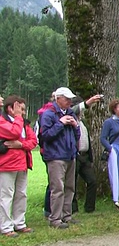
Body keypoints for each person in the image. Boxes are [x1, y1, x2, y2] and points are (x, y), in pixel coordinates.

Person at [39, 87, 81, 229]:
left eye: (70, 99)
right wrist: (60, 123)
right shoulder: (48, 114)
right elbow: (46, 136)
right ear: (58, 99)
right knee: (57, 188)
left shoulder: (70, 113)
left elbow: (77, 136)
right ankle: (55, 218)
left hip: (70, 154)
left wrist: (75, 126)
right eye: (66, 99)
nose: (69, 102)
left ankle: (66, 215)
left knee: (70, 187)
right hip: (55, 156)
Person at [0, 95, 38, 237]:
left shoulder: (23, 123)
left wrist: (20, 145)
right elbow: (14, 132)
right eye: (20, 109)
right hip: (6, 165)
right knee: (6, 196)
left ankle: (19, 223)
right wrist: (17, 118)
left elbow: (33, 141)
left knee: (21, 194)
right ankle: (5, 227)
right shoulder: (2, 121)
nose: (22, 112)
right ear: (10, 108)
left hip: (22, 163)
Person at [71, 94, 103, 214]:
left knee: (92, 181)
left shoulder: (82, 122)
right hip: (75, 155)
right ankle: (73, 209)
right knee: (72, 183)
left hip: (84, 156)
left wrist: (89, 157)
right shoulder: (70, 118)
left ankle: (90, 208)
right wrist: (88, 102)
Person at [100, 99, 119, 208]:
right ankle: (117, 198)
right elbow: (103, 138)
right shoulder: (109, 122)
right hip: (115, 149)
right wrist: (110, 149)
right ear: (114, 109)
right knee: (116, 174)